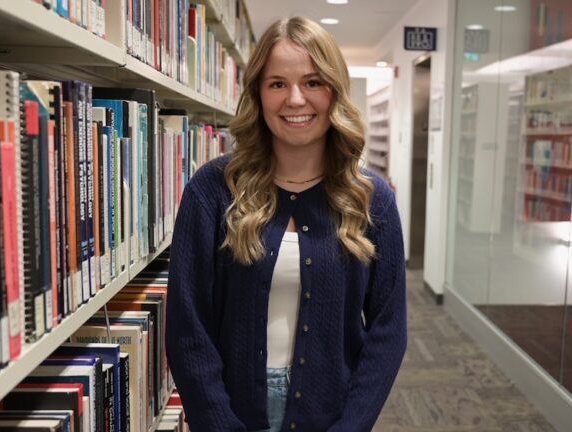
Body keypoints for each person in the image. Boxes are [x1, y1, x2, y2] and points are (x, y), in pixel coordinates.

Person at [165, 16, 407, 432]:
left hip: (332, 412)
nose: (295, 99)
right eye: (277, 83)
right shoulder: (212, 189)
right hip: (230, 411)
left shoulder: (372, 199)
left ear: (335, 91)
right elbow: (188, 328)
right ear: (258, 94)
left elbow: (388, 332)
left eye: (313, 82)